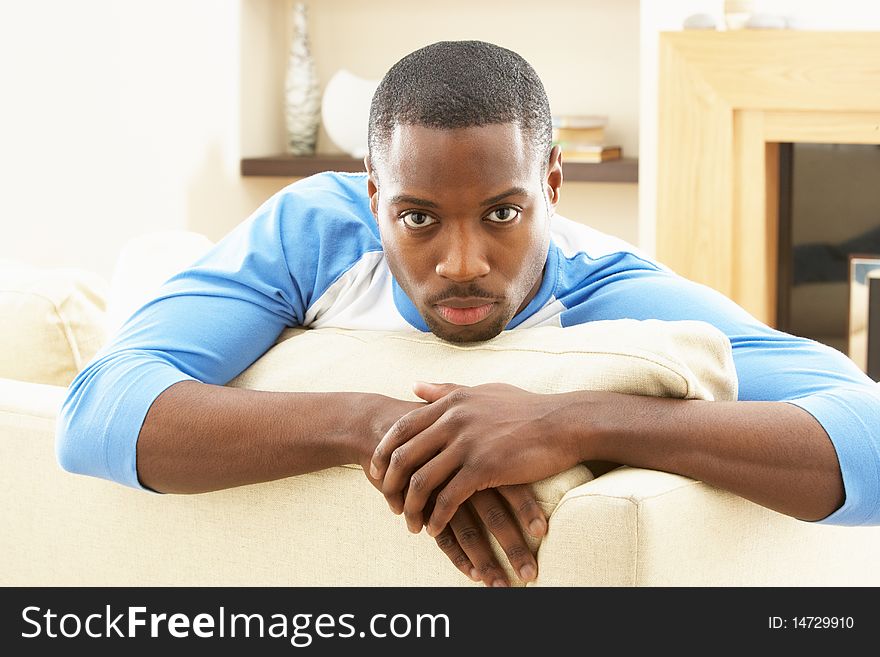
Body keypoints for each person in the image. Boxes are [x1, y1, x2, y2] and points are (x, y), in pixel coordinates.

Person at [57, 40, 880, 587]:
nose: (461, 264)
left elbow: (864, 423)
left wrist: (576, 422)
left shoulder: (612, 291)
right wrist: (381, 428)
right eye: (417, 218)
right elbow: (95, 406)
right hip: (183, 287)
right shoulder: (316, 228)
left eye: (501, 214)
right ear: (374, 198)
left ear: (553, 186)